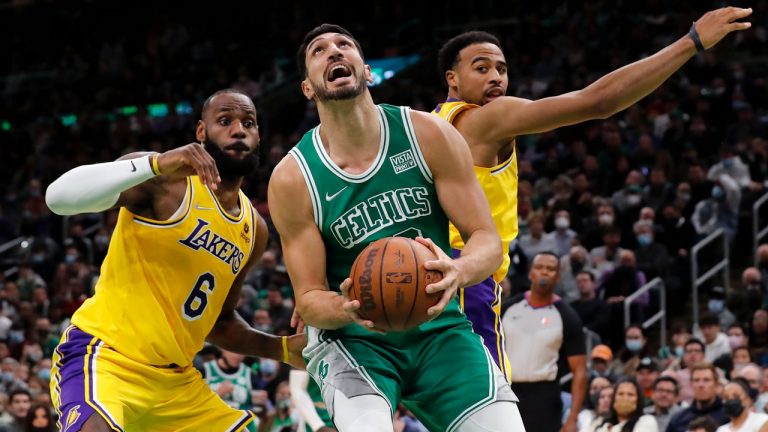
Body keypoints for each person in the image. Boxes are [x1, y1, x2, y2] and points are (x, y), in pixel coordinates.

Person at [431, 6, 752, 386]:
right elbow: (597, 102)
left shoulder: (430, 123)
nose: (496, 77)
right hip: (467, 279)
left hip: (429, 274)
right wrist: (690, 42)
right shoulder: (487, 118)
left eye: (501, 68)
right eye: (481, 68)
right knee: (486, 408)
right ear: (452, 78)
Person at [269, 24, 523, 432]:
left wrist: (459, 270)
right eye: (319, 51)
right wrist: (346, 306)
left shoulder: (427, 133)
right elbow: (310, 298)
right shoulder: (293, 178)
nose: (334, 52)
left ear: (367, 71)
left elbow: (486, 239)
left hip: (440, 330)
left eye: (345, 45)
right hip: (353, 342)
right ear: (307, 88)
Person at [45, 89, 306, 432]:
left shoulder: (253, 229)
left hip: (175, 385)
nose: (239, 130)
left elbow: (219, 322)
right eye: (225, 121)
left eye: (249, 123)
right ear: (201, 132)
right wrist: (154, 163)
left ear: (259, 136)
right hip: (105, 358)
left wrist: (284, 350)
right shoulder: (163, 182)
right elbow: (58, 198)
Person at [501, 252, 587, 432]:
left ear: (558, 276)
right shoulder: (508, 308)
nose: (544, 272)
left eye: (550, 269)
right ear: (530, 273)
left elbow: (579, 370)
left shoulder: (568, 316)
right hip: (507, 391)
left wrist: (572, 418)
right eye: (539, 267)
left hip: (544, 397)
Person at [666, 363, 729, 432]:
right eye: (696, 380)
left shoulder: (728, 416)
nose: (701, 385)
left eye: (706, 380)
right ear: (691, 384)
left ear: (716, 384)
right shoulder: (678, 419)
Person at [592, 378, 658, 432]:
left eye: (630, 394)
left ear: (638, 399)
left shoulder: (647, 421)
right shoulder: (601, 424)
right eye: (621, 394)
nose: (625, 398)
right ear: (614, 398)